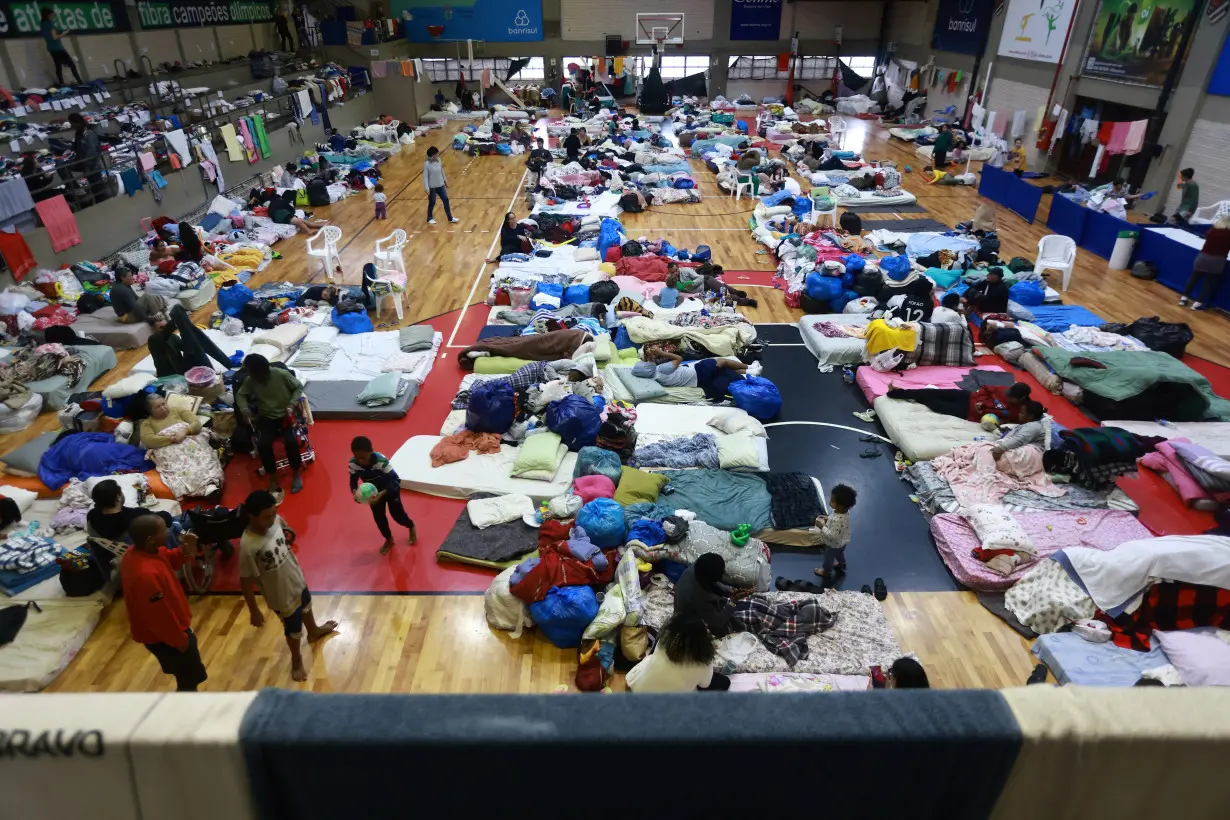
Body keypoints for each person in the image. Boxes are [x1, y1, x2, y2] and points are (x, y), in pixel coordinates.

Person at [239, 490, 338, 682]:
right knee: (292, 628)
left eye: (274, 513)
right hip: (280, 595)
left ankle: (314, 631)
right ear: (252, 516)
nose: (272, 519)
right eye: (267, 516)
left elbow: (285, 532)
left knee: (307, 606)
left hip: (295, 577)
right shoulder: (248, 546)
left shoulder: (275, 521)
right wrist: (253, 610)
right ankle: (296, 659)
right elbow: (245, 580)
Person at [121, 514, 205, 691]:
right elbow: (158, 616)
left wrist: (186, 549)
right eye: (163, 530)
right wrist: (179, 640)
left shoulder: (142, 551)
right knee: (189, 679)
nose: (168, 531)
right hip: (166, 638)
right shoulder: (145, 576)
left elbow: (170, 559)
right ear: (151, 539)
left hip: (171, 632)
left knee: (188, 677)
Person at [237, 354, 306, 496]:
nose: (252, 376)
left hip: (286, 414)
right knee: (263, 444)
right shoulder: (251, 380)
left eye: (255, 373)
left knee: (291, 441)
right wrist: (244, 409)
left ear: (265, 370)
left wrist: (292, 404)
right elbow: (241, 395)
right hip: (266, 416)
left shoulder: (280, 375)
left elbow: (298, 387)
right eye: (251, 373)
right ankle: (273, 476)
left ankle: (296, 472)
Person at [139, 393, 224, 500]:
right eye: (157, 407)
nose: (163, 408)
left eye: (163, 404)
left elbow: (196, 423)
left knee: (200, 456)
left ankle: (210, 483)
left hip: (189, 440)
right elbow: (148, 441)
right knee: (180, 466)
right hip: (169, 449)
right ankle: (203, 488)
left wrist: (185, 431)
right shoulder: (147, 423)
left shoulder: (177, 411)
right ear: (150, 411)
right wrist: (171, 438)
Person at [86, 478, 174, 577]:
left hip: (115, 559)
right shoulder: (135, 517)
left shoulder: (92, 516)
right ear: (118, 497)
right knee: (176, 525)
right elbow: (166, 518)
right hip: (144, 560)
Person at [626, 612, 729, 693]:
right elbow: (705, 685)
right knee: (724, 682)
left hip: (640, 689)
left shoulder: (664, 640)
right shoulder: (702, 662)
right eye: (705, 627)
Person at [349, 436, 417, 555]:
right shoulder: (353, 464)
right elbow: (353, 480)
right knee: (379, 518)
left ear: (371, 451)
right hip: (373, 493)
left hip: (390, 489)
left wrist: (381, 494)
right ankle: (389, 539)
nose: (361, 461)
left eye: (364, 458)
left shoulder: (381, 461)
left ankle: (411, 526)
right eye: (357, 458)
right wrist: (355, 492)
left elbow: (395, 480)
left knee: (397, 515)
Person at [888, 380, 1031, 425]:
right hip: (968, 397)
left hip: (967, 412)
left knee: (934, 404)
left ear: (1021, 399)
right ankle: (897, 392)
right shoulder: (1005, 390)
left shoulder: (1019, 412)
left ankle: (910, 396)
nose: (1007, 396)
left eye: (1011, 397)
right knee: (931, 392)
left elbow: (1011, 423)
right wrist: (981, 400)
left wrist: (999, 420)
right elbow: (986, 388)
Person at [636, 349, 751, 402]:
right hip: (699, 372)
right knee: (722, 362)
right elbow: (679, 359)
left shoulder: (654, 377)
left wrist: (651, 356)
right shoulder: (661, 370)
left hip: (698, 382)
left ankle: (749, 372)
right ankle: (749, 367)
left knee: (722, 371)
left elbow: (650, 364)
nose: (647, 362)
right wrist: (661, 353)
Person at [673, 553, 738, 638]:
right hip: (687, 621)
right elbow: (718, 622)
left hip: (687, 600)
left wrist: (727, 590)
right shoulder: (699, 598)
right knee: (727, 626)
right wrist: (733, 602)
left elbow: (712, 582)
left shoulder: (698, 566)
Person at [1179, 213, 1230, 310]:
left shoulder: (1212, 230)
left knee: (1194, 278)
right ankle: (1197, 304)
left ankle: (1183, 298)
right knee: (1209, 282)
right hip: (1217, 260)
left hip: (1202, 257)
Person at [812, 484, 856, 584]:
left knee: (828, 559)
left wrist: (821, 526)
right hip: (843, 542)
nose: (829, 501)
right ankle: (842, 564)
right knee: (840, 554)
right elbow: (836, 519)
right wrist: (828, 518)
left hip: (833, 545)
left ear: (840, 506)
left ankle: (826, 572)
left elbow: (833, 536)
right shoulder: (845, 512)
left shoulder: (837, 520)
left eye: (832, 500)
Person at [68, 112, 107, 202]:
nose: (72, 126)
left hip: (92, 166)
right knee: (95, 188)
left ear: (77, 123)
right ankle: (78, 189)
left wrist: (87, 168)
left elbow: (91, 152)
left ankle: (104, 204)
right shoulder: (79, 134)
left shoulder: (88, 134)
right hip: (84, 163)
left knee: (98, 189)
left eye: (72, 124)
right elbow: (78, 148)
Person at [41, 8, 81, 86]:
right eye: (52, 15)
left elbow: (49, 36)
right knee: (71, 64)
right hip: (58, 48)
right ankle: (80, 81)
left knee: (58, 66)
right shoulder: (50, 24)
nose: (53, 16)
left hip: (51, 48)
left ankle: (61, 83)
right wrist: (64, 34)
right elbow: (54, 37)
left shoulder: (43, 24)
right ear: (49, 15)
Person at [423, 146, 458, 225]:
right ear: (433, 155)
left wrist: (445, 180)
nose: (438, 155)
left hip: (440, 185)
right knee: (432, 202)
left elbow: (442, 170)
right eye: (436, 154)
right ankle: (429, 218)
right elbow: (425, 177)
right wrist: (426, 188)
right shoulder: (427, 164)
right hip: (432, 187)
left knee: (446, 200)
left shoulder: (439, 160)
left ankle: (450, 218)